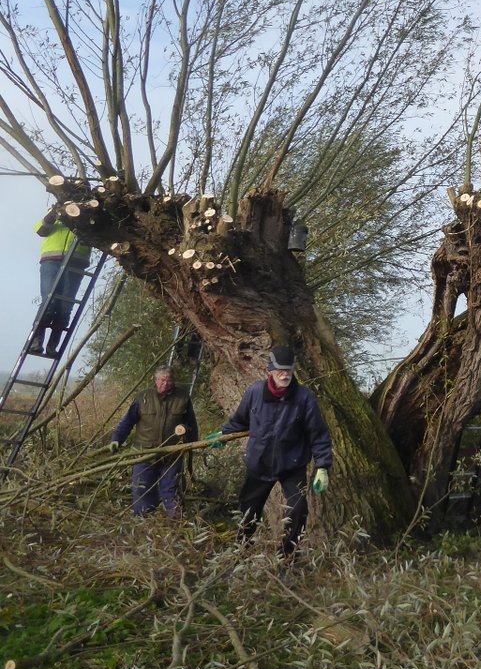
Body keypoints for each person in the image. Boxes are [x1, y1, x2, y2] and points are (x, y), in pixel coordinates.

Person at [207, 346, 333, 557]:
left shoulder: (304, 398)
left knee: (298, 511)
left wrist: (323, 467)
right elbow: (240, 420)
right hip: (259, 464)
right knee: (248, 514)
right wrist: (222, 434)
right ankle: (241, 554)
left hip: (292, 465)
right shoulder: (255, 392)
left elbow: (318, 434)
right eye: (280, 371)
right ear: (270, 371)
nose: (285, 375)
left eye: (289, 371)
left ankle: (287, 558)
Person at [111, 367, 198, 518]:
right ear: (155, 380)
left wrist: (191, 442)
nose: (165, 384)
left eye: (169, 380)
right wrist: (116, 439)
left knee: (172, 491)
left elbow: (191, 423)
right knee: (142, 490)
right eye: (162, 380)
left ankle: (176, 524)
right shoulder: (143, 397)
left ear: (174, 381)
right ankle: (143, 523)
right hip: (145, 453)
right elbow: (127, 421)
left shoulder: (183, 398)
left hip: (172, 454)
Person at [30, 206, 92, 357]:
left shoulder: (91, 212)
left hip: (75, 262)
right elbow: (40, 230)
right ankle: (36, 342)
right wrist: (53, 214)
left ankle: (53, 346)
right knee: (49, 302)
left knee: (65, 307)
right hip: (51, 261)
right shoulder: (58, 209)